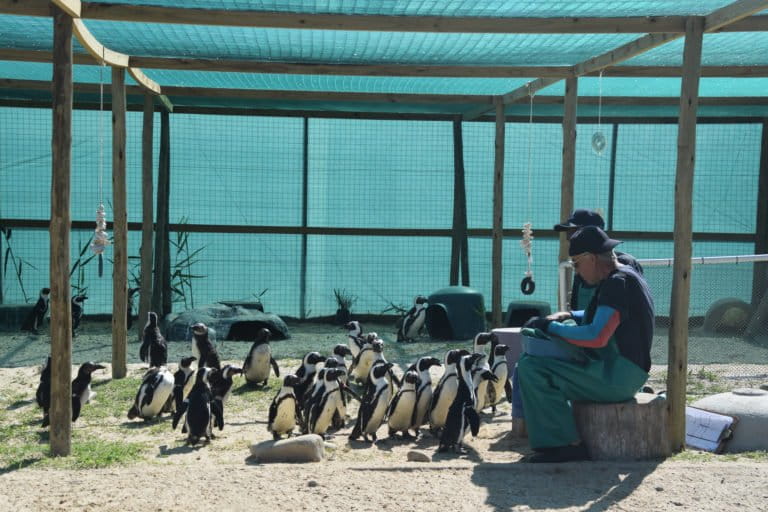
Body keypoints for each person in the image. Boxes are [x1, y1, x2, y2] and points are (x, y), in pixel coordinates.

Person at [517, 226, 655, 463]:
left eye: (576, 264)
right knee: (537, 361)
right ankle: (561, 439)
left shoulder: (616, 283)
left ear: (591, 258)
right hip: (623, 372)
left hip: (617, 379)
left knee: (531, 368)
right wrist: (565, 317)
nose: (577, 273)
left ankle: (564, 445)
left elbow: (596, 337)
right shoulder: (626, 275)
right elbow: (607, 318)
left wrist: (549, 327)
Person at [554, 209, 644, 311]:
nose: (569, 238)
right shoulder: (582, 266)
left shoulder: (624, 265)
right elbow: (578, 307)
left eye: (574, 233)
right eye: (568, 234)